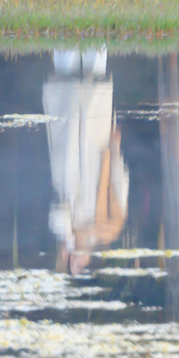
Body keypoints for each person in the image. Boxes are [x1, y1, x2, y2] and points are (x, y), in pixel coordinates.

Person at [43, 47, 127, 274]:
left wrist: (69, 239)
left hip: (67, 158)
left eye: (72, 262)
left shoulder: (63, 228)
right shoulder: (107, 229)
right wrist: (115, 150)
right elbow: (119, 188)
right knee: (96, 85)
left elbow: (57, 210)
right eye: (81, 263)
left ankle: (64, 40)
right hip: (97, 153)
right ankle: (97, 38)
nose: (76, 260)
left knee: (65, 85)